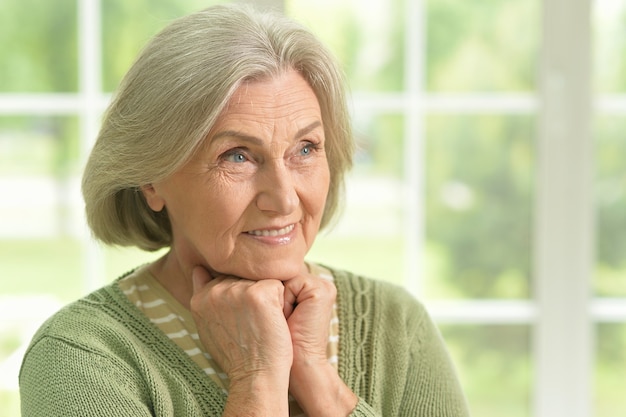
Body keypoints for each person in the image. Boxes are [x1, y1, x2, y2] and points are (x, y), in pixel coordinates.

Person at [19, 4, 470, 416]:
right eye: (238, 155)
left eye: (306, 148)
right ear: (151, 179)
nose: (285, 199)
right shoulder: (80, 356)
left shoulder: (396, 325)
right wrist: (257, 378)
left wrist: (319, 381)